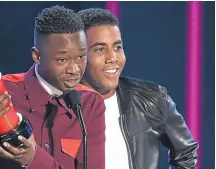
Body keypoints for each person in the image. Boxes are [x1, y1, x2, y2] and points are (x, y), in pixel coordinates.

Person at [0, 5, 106, 169]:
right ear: (37, 56)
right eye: (62, 60)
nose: (75, 69)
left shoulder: (90, 103)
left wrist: (33, 158)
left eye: (81, 57)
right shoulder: (1, 92)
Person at [77, 8, 198, 169]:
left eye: (117, 47)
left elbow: (186, 153)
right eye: (100, 49)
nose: (113, 58)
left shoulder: (152, 99)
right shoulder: (57, 106)